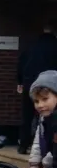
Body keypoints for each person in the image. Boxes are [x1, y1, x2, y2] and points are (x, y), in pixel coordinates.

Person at [17, 25, 57, 154]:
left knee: (27, 116)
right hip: (50, 85)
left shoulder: (31, 45)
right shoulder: (55, 46)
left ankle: (23, 144)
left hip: (30, 83)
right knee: (49, 117)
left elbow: (21, 62)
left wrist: (20, 81)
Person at [24, 70, 57, 168]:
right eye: (36, 101)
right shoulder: (44, 118)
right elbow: (38, 141)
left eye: (45, 99)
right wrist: (35, 164)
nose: (40, 105)